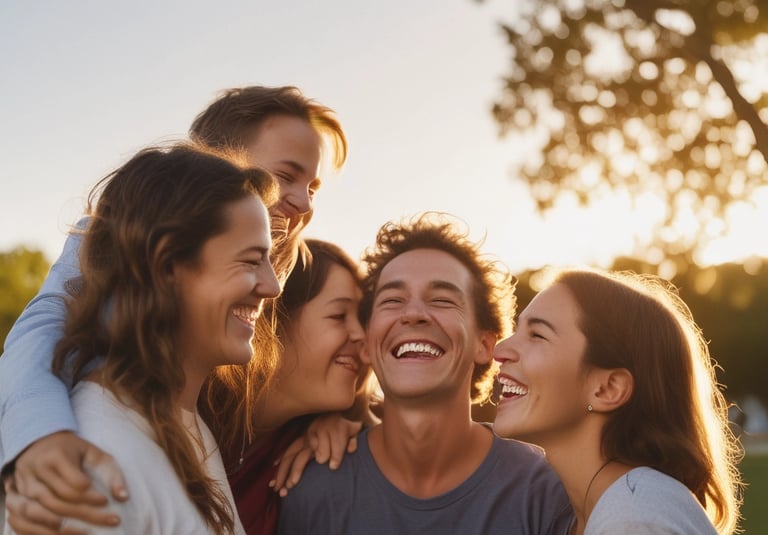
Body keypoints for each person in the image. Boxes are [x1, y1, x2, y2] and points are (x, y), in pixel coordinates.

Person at [0, 85, 348, 532]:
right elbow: (41, 330)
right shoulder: (113, 246)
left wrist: (345, 418)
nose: (304, 202)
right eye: (287, 175)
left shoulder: (296, 271)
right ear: (214, 161)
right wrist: (41, 439)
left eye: (313, 186)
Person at [6, 142, 281, 534]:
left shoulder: (187, 427)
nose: (272, 286)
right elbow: (46, 313)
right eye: (251, 260)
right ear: (167, 266)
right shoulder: (92, 470)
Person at [277, 213, 574, 535]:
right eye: (392, 300)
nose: (414, 314)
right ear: (367, 340)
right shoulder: (309, 485)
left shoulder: (548, 491)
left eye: (442, 300)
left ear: (485, 344)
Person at [492, 268, 743, 535]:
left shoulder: (634, 521)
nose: (500, 351)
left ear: (607, 389)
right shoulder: (593, 512)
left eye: (537, 335)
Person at [219, 238, 377, 535]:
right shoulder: (177, 418)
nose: (362, 336)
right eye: (339, 316)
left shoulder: (327, 454)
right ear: (273, 321)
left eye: (363, 319)